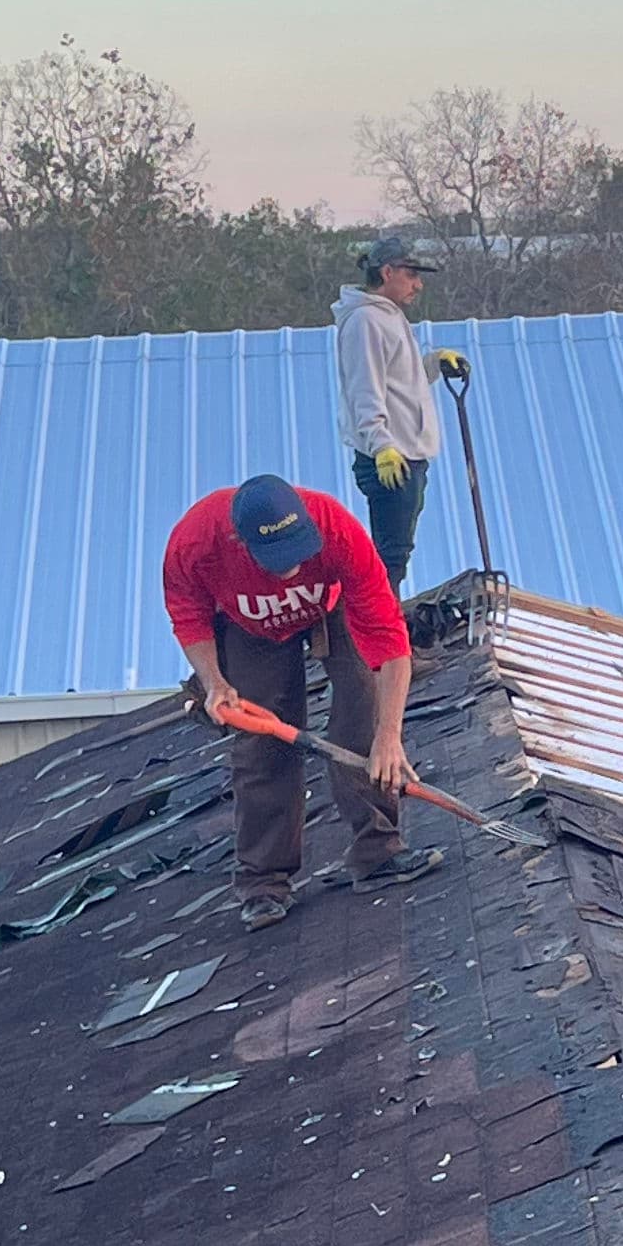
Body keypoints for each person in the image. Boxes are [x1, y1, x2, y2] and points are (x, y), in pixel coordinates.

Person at [162, 472, 428, 929]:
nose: (290, 570)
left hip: (332, 607)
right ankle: (263, 884)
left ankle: (378, 851)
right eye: (276, 559)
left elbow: (389, 638)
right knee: (263, 748)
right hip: (248, 627)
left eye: (297, 552)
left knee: (364, 709)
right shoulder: (196, 541)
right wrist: (215, 682)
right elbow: (188, 616)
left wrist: (390, 735)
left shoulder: (335, 527)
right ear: (240, 542)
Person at [334, 230, 467, 590]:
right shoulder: (366, 321)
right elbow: (364, 389)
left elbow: (398, 380)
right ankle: (380, 620)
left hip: (405, 452)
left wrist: (434, 364)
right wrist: (382, 446)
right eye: (411, 275)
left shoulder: (388, 316)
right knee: (390, 556)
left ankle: (383, 615)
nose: (418, 285)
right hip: (391, 456)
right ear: (387, 272)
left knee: (397, 552)